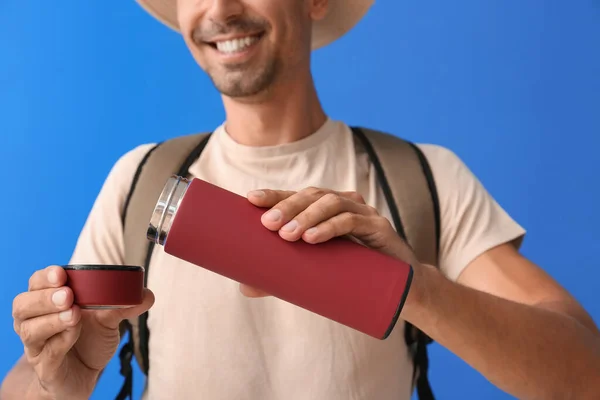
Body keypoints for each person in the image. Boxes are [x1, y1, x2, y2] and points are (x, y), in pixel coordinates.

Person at [2, 0, 600, 399]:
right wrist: (59, 379)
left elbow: (584, 373)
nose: (221, 8)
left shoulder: (422, 177)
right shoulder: (139, 181)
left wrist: (415, 287)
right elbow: (35, 382)